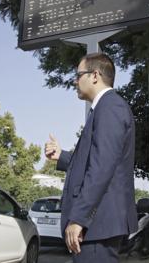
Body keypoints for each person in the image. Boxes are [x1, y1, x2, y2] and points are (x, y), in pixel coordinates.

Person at [45, 53, 138, 262]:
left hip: (98, 226)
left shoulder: (110, 107)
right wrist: (62, 156)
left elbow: (101, 168)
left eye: (78, 75)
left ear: (95, 75)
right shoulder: (105, 108)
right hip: (99, 226)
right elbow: (97, 161)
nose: (75, 81)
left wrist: (79, 217)